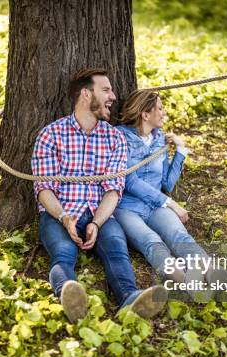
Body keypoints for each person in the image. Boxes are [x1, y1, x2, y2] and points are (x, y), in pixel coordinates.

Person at [31, 68, 167, 323]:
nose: (113, 96)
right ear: (86, 94)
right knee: (62, 251)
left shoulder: (114, 138)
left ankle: (129, 298)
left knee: (116, 249)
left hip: (99, 212)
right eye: (106, 90)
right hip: (59, 211)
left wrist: (96, 223)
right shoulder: (50, 135)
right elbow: (44, 190)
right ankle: (71, 296)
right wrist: (63, 218)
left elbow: (114, 190)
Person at [113, 90, 227, 299]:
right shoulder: (120, 137)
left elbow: (166, 182)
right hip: (127, 207)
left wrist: (180, 150)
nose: (164, 113)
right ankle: (185, 282)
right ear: (145, 115)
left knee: (178, 235)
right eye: (160, 108)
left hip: (155, 205)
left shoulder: (159, 140)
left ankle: (210, 270)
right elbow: (130, 181)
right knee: (151, 241)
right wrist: (171, 203)